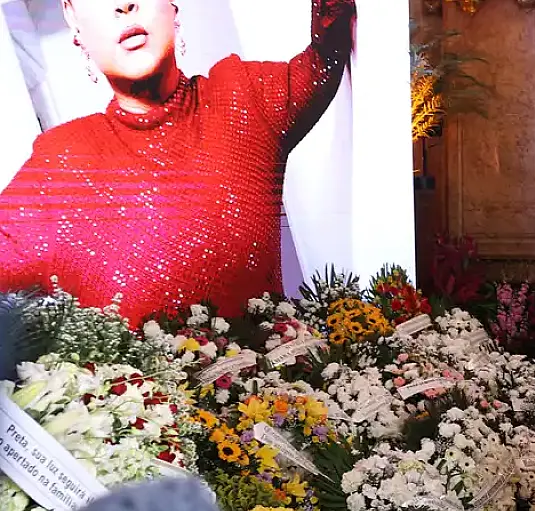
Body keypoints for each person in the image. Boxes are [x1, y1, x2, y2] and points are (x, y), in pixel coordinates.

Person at [0, 0, 355, 325]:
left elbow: (326, 49)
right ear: (73, 21)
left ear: (173, 7)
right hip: (137, 393)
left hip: (277, 389)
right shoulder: (60, 165)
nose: (125, 6)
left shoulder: (244, 98)